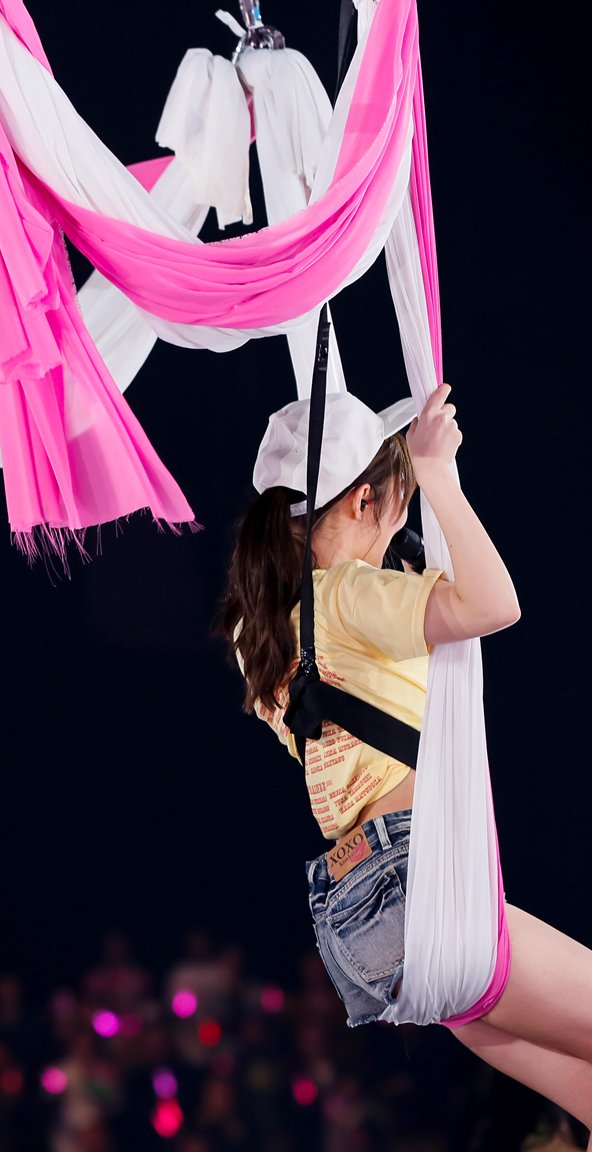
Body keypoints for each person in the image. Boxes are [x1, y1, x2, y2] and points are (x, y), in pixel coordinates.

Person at [216, 383, 592, 1125]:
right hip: (416, 887)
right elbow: (494, 604)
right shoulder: (347, 594)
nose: (403, 519)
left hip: (363, 926)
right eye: (401, 503)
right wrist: (440, 476)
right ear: (363, 501)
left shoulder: (256, 633)